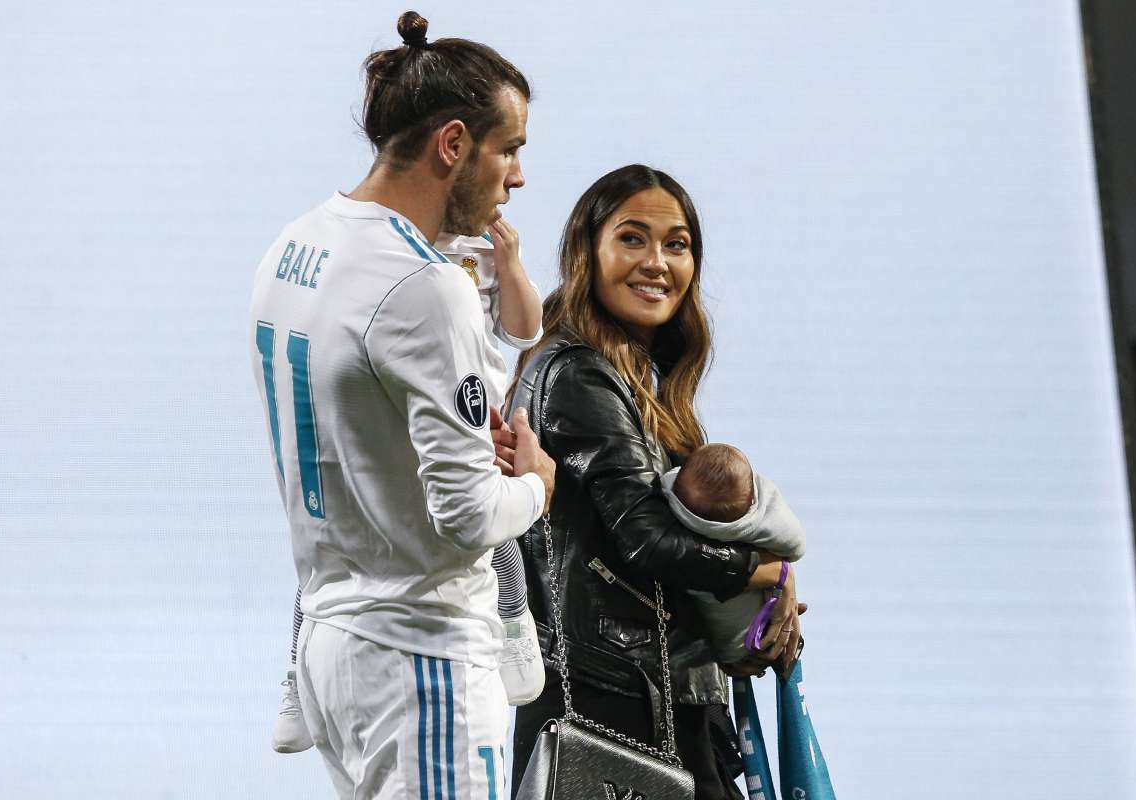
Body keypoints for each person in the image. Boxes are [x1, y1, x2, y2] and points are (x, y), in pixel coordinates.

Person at [247, 10, 556, 798]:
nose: (518, 176)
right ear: (452, 144)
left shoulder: (293, 247)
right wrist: (537, 483)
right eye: (509, 148)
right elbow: (470, 517)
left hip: (332, 651)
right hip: (425, 667)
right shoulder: (426, 285)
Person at [507, 165, 805, 800]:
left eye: (677, 244)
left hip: (639, 699)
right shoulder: (581, 375)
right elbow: (648, 540)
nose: (657, 263)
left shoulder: (631, 377)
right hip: (616, 707)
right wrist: (767, 571)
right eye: (632, 238)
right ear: (587, 252)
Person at [271, 225, 547, 754]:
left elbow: (524, 331)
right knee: (331, 547)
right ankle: (298, 676)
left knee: (491, 534)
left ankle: (514, 626)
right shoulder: (375, 249)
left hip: (467, 425)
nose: (511, 186)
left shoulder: (478, 251)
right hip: (386, 423)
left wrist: (509, 264)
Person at [665, 443, 806, 664]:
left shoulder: (668, 496)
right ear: (751, 501)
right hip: (743, 636)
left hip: (697, 627)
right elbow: (795, 545)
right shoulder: (754, 523)